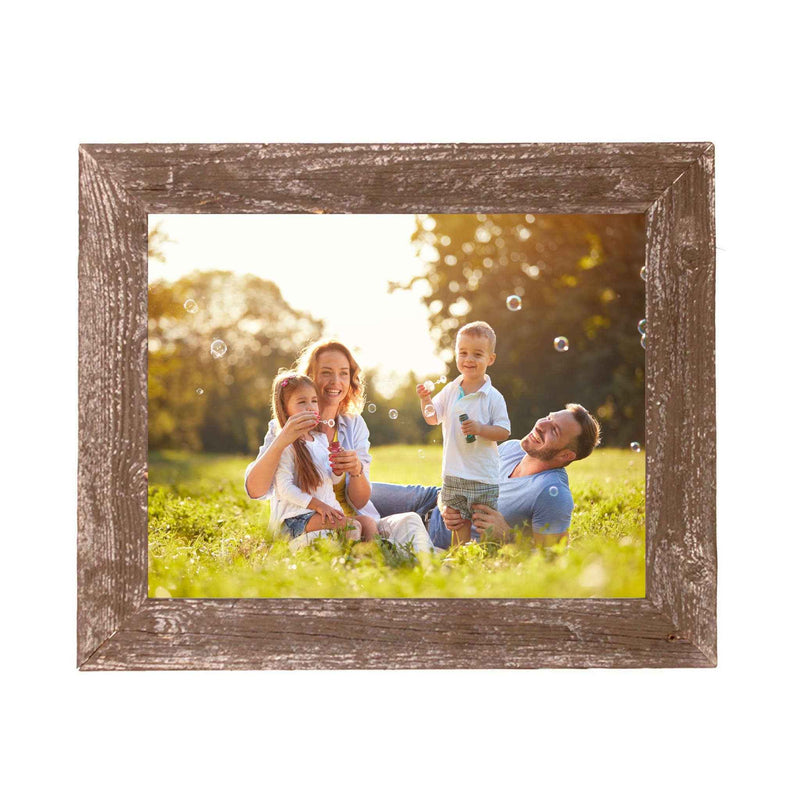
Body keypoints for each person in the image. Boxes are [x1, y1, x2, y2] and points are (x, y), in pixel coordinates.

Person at [245, 338, 434, 553]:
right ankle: (379, 555)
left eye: (344, 373)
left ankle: (426, 565)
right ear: (310, 377)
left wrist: (356, 470)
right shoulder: (284, 427)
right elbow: (255, 490)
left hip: (353, 519)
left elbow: (359, 501)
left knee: (410, 520)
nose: (336, 381)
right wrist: (281, 440)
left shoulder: (353, 425)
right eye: (326, 372)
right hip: (309, 523)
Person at [371, 404, 601, 549]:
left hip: (439, 537)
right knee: (356, 492)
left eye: (555, 430)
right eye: (549, 417)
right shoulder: (512, 448)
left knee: (365, 533)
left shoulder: (553, 494)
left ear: (565, 455)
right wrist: (445, 501)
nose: (542, 424)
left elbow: (552, 561)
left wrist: (507, 537)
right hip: (430, 499)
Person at [417, 321, 510, 545]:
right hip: (454, 472)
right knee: (458, 522)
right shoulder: (450, 390)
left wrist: (480, 429)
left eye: (477, 354)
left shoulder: (493, 397)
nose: (469, 359)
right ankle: (460, 557)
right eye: (463, 353)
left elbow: (504, 431)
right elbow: (432, 417)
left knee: (484, 522)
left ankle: (490, 555)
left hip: (482, 475)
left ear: (490, 359)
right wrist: (425, 399)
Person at [269, 371, 378, 550]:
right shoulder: (285, 444)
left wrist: (337, 470)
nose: (310, 407)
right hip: (295, 517)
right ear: (285, 408)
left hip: (320, 512)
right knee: (352, 527)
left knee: (368, 523)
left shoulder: (320, 439)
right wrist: (318, 505)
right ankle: (349, 558)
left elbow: (331, 480)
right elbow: (285, 488)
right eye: (302, 402)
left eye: (314, 401)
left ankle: (372, 556)